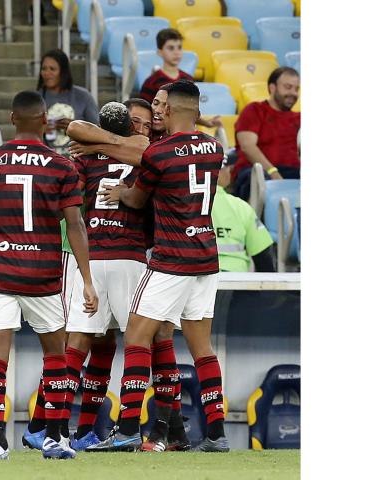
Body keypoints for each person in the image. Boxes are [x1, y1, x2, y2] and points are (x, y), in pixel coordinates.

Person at [90, 80, 229, 453]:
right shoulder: (214, 148)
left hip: (171, 259)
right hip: (206, 257)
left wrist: (120, 193)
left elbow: (136, 198)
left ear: (168, 112)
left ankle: (128, 429)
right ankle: (216, 433)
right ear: (197, 112)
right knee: (203, 349)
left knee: (136, 337)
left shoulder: (160, 153)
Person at [0, 90, 98, 461]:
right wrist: (86, 279)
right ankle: (54, 436)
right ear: (44, 120)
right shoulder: (62, 167)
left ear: (11, 118)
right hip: (43, 276)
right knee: (55, 355)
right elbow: (76, 224)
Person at [68, 93, 192, 452]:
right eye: (132, 120)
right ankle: (85, 429)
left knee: (154, 339)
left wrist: (99, 148)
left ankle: (161, 427)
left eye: (143, 120)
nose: (139, 125)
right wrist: (106, 146)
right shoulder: (117, 151)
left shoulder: (157, 150)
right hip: (127, 254)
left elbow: (136, 155)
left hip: (156, 253)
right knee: (120, 341)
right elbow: (78, 131)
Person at [232, 66, 301, 201]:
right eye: (288, 87)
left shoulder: (300, 118)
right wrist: (273, 172)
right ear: (272, 88)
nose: (293, 93)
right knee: (258, 179)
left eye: (296, 89)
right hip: (257, 172)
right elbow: (248, 147)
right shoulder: (254, 110)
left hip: (293, 173)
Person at [138, 29, 222, 131]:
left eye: (179, 47)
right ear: (160, 52)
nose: (176, 52)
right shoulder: (151, 82)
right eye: (171, 48)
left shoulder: (188, 79)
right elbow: (145, 112)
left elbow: (190, 111)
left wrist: (208, 123)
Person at [213, 156, 276, 273]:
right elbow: (264, 257)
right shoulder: (240, 207)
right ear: (218, 172)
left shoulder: (180, 204)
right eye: (228, 169)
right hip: (236, 281)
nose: (229, 174)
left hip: (193, 282)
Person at [37, 49, 99, 156]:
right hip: (44, 159)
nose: (47, 73)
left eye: (52, 69)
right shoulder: (35, 98)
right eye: (44, 69)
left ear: (63, 71)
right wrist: (40, 129)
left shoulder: (83, 96)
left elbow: (98, 132)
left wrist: (76, 127)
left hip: (78, 160)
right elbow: (24, 133)